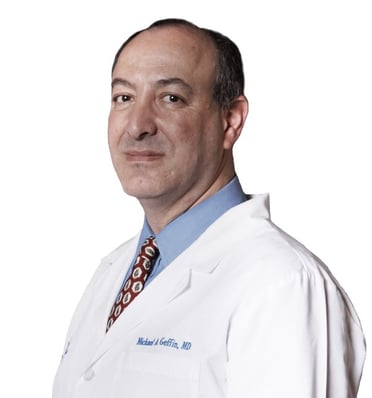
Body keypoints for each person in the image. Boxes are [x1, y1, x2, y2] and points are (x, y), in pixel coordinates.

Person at [53, 18, 366, 398]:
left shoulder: (283, 286)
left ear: (230, 121)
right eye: (124, 97)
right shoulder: (112, 273)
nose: (137, 125)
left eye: (171, 98)